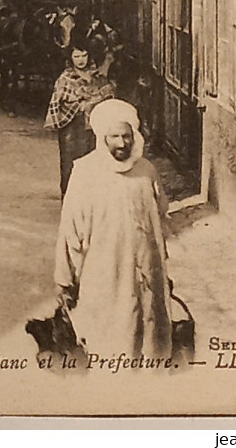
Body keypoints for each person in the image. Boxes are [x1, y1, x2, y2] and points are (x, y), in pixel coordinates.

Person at [53, 98, 172, 362]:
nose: (121, 143)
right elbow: (70, 229)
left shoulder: (146, 171)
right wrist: (65, 278)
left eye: (126, 136)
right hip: (103, 270)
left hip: (143, 269)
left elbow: (159, 218)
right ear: (102, 137)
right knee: (108, 334)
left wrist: (162, 264)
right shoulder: (85, 172)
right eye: (114, 136)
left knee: (146, 329)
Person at [44, 41, 115, 196]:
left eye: (84, 55)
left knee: (94, 163)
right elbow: (59, 101)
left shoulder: (97, 76)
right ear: (70, 58)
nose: (81, 60)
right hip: (72, 129)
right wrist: (80, 104)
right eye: (76, 56)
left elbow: (107, 95)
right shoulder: (65, 78)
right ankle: (69, 201)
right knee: (70, 164)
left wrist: (92, 101)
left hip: (93, 128)